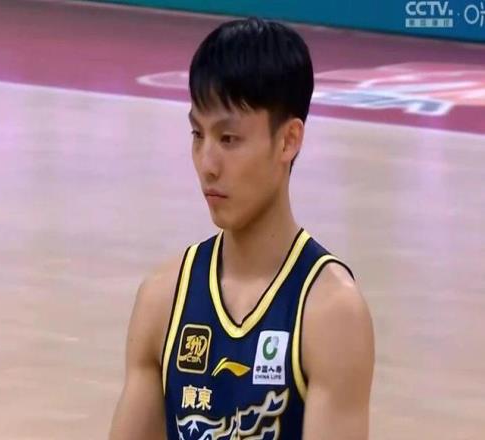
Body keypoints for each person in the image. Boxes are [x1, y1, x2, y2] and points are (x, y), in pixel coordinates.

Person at [110, 17, 374, 440]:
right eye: (198, 134)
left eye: (229, 139)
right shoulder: (163, 298)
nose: (207, 164)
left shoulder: (330, 313)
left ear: (288, 141)